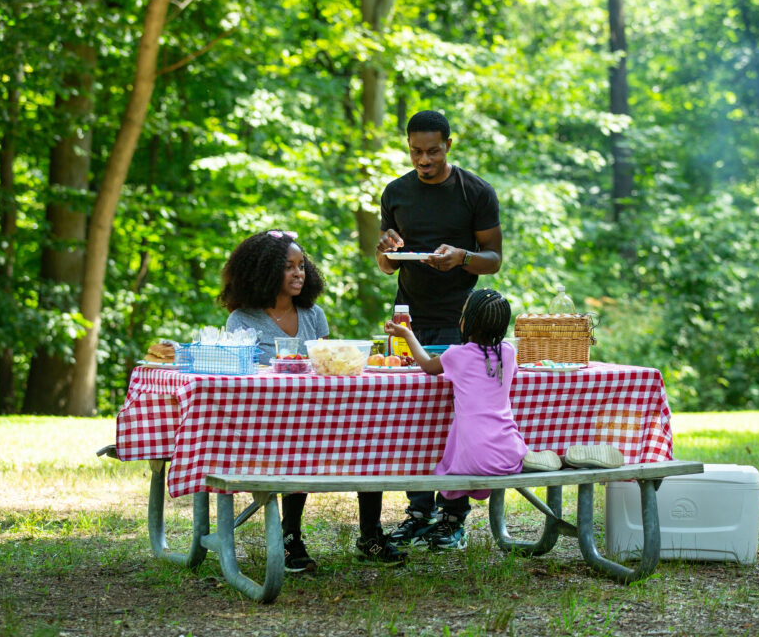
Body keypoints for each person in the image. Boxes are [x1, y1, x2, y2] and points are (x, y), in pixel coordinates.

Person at [220, 230, 404, 569]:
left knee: (370, 437)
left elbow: (329, 366)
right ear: (263, 272)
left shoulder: (313, 315)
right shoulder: (242, 320)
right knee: (295, 441)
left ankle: (371, 536)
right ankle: (290, 539)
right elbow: (241, 378)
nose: (298, 273)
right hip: (271, 425)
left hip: (320, 417)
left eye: (301, 266)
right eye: (288, 267)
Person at [376, 109, 504, 551]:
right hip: (409, 311)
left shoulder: (475, 192)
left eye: (432, 151)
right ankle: (418, 510)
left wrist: (462, 257)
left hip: (461, 316)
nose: (423, 160)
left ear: (449, 145)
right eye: (415, 151)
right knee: (412, 410)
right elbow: (386, 260)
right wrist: (385, 250)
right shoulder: (395, 192)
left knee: (456, 413)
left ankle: (453, 517)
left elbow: (493, 259)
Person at [385, 289, 562, 551]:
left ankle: (431, 517)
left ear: (465, 321)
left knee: (453, 448)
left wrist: (407, 334)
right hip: (510, 455)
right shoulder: (508, 353)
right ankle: (451, 521)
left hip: (472, 460)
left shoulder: (458, 355)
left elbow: (427, 365)